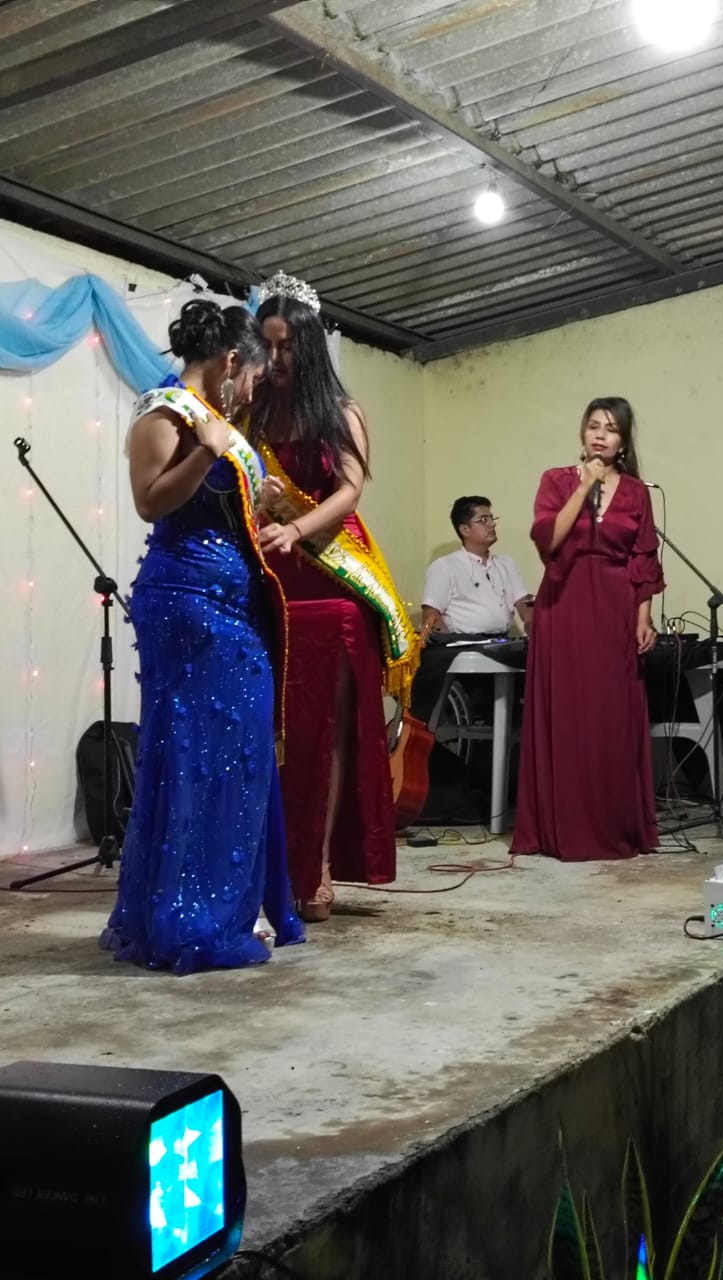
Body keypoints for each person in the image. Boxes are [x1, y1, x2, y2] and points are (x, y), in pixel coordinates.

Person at [101, 300, 305, 974]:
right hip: (186, 605)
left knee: (237, 753)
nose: (253, 392)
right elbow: (150, 499)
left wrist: (261, 503)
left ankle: (222, 906)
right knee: (196, 757)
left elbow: (220, 509)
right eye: (253, 378)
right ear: (231, 362)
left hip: (231, 606)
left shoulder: (218, 421)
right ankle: (191, 918)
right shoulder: (166, 411)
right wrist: (207, 454)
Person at [248, 273, 417, 922]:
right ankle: (266, 865)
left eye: (287, 346)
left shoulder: (341, 412)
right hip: (273, 572)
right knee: (274, 729)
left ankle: (315, 864)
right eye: (268, 345)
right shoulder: (253, 411)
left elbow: (348, 491)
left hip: (331, 568)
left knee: (330, 730)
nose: (276, 358)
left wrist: (296, 527)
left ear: (310, 346)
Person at [511, 396, 664, 861]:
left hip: (616, 608)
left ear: (623, 441)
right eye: (594, 425)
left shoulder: (636, 492)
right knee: (567, 712)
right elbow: (549, 539)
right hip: (564, 602)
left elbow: (644, 558)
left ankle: (613, 825)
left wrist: (643, 617)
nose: (600, 434)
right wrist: (584, 487)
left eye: (611, 428)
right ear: (582, 433)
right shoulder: (556, 480)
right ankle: (561, 829)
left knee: (609, 717)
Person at [421, 497, 534, 637]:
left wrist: (533, 625)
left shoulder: (507, 564)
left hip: (502, 642)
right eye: (484, 520)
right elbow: (431, 614)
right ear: (465, 530)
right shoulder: (444, 566)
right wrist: (447, 644)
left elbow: (523, 601)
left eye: (492, 518)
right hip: (464, 645)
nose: (492, 524)